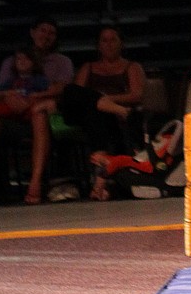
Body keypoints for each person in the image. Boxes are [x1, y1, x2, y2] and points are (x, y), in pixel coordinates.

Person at [0, 17, 74, 204]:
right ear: (32, 32)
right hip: (11, 116)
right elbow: (2, 91)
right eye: (43, 30)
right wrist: (12, 98)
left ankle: (35, 184)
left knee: (39, 113)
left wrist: (34, 99)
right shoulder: (12, 61)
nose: (46, 36)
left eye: (51, 33)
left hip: (40, 113)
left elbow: (61, 89)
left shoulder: (61, 62)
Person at [59, 26, 146, 195]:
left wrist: (106, 100)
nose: (108, 44)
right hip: (93, 116)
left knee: (96, 112)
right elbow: (76, 96)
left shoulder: (132, 67)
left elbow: (136, 96)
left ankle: (100, 180)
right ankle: (101, 181)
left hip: (114, 119)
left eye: (113, 39)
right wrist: (101, 101)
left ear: (121, 43)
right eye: (104, 40)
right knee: (70, 90)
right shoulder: (88, 67)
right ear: (98, 45)